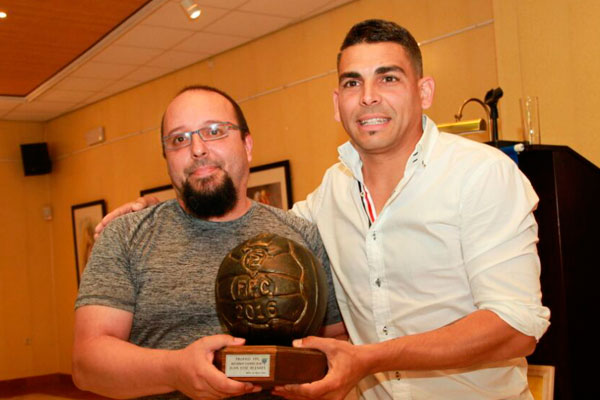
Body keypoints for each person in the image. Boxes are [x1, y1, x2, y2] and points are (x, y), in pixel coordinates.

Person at [98, 20, 550, 400]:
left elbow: (515, 326)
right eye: (353, 82)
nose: (368, 96)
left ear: (424, 90)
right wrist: (158, 209)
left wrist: (369, 358)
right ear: (338, 103)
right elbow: (247, 219)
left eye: (388, 78)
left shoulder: (481, 174)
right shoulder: (328, 196)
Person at [72, 85, 343, 400]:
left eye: (214, 131)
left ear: (247, 145)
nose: (197, 148)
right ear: (166, 158)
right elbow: (86, 364)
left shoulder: (302, 236)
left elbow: (337, 341)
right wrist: (174, 370)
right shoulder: (125, 236)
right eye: (179, 139)